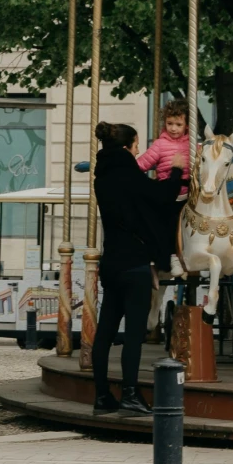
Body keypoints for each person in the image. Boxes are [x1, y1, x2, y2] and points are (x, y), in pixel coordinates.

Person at [90, 122, 183, 415]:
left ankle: (102, 395)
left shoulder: (101, 178)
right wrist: (178, 171)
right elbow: (161, 197)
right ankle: (130, 392)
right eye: (137, 144)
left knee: (104, 332)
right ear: (128, 146)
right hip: (134, 264)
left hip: (112, 261)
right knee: (133, 335)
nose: (139, 149)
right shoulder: (129, 174)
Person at [136, 103, 192, 187]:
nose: (173, 128)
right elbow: (140, 165)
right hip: (167, 190)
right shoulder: (159, 144)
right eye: (169, 123)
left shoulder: (192, 145)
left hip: (190, 193)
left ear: (187, 126)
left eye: (178, 125)